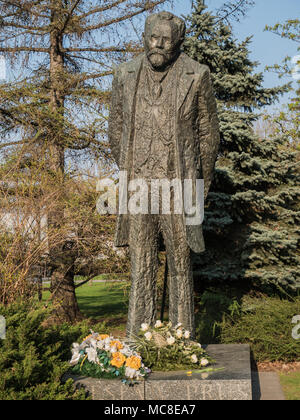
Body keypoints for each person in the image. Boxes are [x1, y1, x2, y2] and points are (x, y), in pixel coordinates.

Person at [108, 11, 220, 338]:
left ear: (179, 42)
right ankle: (139, 340)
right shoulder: (124, 74)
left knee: (181, 267)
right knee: (141, 267)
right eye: (153, 37)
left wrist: (199, 187)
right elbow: (116, 130)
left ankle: (183, 341)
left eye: (167, 39)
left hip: (179, 188)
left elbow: (208, 135)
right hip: (140, 187)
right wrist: (133, 168)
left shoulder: (197, 75)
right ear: (145, 36)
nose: (158, 45)